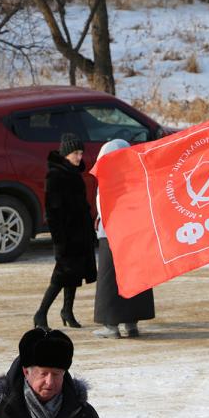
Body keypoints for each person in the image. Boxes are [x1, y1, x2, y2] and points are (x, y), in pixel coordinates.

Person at [92, 139, 155, 338]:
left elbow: (106, 205)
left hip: (112, 235)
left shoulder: (110, 177)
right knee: (134, 276)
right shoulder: (135, 175)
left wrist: (102, 220)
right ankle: (131, 323)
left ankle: (111, 326)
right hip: (134, 234)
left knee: (110, 279)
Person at [33, 133, 97, 330]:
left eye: (80, 153)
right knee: (60, 277)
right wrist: (60, 241)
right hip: (67, 237)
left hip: (80, 235)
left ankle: (67, 311)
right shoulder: (56, 176)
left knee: (73, 275)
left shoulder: (73, 174)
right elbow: (53, 213)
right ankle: (40, 314)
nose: (79, 157)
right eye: (75, 153)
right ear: (66, 154)